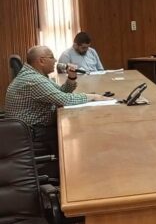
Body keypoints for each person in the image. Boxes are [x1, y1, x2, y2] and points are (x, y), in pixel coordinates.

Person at [6, 46, 109, 176]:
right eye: (52, 57)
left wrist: (71, 78)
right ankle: (77, 174)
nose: (55, 61)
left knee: (77, 128)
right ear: (41, 61)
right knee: (81, 135)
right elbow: (64, 99)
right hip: (33, 132)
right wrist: (93, 97)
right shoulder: (33, 80)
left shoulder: (36, 75)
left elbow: (61, 92)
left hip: (31, 129)